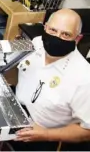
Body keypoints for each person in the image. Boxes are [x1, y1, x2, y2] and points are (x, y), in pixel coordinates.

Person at [9, 9, 90, 151]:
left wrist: (46, 135)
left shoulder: (84, 78)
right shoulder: (37, 43)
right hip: (15, 112)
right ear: (45, 27)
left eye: (66, 34)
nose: (57, 37)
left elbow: (86, 131)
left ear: (77, 39)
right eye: (53, 30)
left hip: (42, 136)